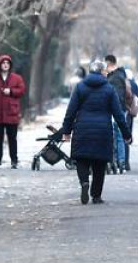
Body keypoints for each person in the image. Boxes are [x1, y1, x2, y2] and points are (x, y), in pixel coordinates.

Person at [55, 60, 133, 204]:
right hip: (103, 131)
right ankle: (96, 195)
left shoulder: (80, 87)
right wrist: (126, 134)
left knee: (82, 159)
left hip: (82, 129)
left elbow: (70, 111)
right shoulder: (109, 89)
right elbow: (118, 114)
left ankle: (84, 182)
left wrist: (67, 131)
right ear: (102, 72)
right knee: (100, 162)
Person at [0, 54, 26, 169]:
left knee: (12, 138)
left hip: (11, 112)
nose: (5, 65)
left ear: (10, 65)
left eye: (7, 63)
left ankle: (14, 160)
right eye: (3, 63)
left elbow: (22, 90)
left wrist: (11, 91)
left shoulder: (17, 78)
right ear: (0, 65)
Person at [105, 55, 137, 170]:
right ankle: (121, 161)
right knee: (119, 135)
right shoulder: (121, 76)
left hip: (116, 109)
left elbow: (116, 95)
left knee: (116, 135)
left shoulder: (115, 77)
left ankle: (118, 161)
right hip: (121, 108)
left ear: (109, 64)